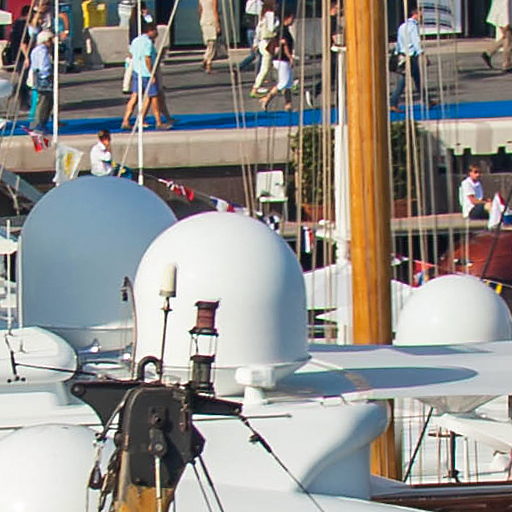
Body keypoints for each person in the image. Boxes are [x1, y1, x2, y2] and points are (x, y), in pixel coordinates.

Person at [121, 23, 170, 130]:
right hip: (146, 74)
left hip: (137, 72)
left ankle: (126, 120)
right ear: (150, 31)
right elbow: (147, 59)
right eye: (155, 31)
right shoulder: (148, 43)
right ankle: (158, 122)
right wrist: (151, 74)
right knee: (154, 97)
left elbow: (131, 55)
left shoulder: (135, 41)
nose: (157, 33)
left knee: (135, 97)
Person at [389, 8, 436, 113]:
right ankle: (393, 103)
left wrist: (397, 53)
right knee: (403, 82)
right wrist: (423, 55)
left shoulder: (402, 26)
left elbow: (399, 42)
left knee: (416, 80)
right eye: (421, 15)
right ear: (416, 14)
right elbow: (416, 42)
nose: (422, 18)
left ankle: (427, 101)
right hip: (410, 57)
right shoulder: (413, 27)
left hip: (403, 56)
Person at [305, 0, 343, 108]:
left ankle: (317, 92)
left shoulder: (327, 20)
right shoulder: (332, 21)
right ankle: (315, 91)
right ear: (333, 7)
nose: (340, 9)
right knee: (335, 76)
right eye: (338, 7)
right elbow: (335, 37)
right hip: (334, 53)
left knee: (333, 77)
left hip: (329, 52)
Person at [259, 11, 294, 111]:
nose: (293, 20)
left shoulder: (280, 30)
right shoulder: (284, 31)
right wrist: (290, 57)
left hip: (280, 59)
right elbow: (284, 44)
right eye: (292, 18)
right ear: (287, 18)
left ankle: (288, 104)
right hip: (282, 59)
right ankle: (267, 98)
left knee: (288, 83)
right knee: (283, 83)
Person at [249, 0, 278, 97]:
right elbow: (271, 28)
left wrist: (255, 43)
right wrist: (278, 22)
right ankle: (255, 88)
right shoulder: (270, 15)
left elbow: (258, 30)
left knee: (272, 66)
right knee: (265, 68)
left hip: (262, 42)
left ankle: (282, 85)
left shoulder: (263, 16)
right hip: (268, 43)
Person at [29, 29, 53, 132]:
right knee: (44, 102)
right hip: (43, 78)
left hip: (36, 76)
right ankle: (39, 124)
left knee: (43, 101)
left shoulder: (35, 50)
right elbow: (44, 65)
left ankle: (40, 122)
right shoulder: (43, 51)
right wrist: (47, 75)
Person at [9, 5, 32, 111]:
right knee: (25, 80)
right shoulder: (23, 25)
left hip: (16, 55)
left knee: (23, 78)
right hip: (23, 56)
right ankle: (24, 102)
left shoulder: (16, 24)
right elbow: (24, 43)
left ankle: (23, 100)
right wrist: (27, 57)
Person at [482, 0, 512, 71]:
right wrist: (506, 21)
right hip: (503, 14)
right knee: (508, 38)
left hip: (504, 13)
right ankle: (507, 64)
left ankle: (488, 53)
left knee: (507, 37)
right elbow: (504, 6)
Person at [236, 0, 263, 75]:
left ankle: (240, 66)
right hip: (256, 31)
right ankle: (258, 72)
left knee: (254, 54)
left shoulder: (249, 3)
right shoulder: (260, 4)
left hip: (249, 30)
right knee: (260, 54)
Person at [198, 0, 220, 74]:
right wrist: (217, 24)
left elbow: (200, 10)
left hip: (204, 20)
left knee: (209, 44)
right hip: (211, 21)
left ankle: (205, 61)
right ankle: (208, 64)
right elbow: (215, 10)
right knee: (212, 44)